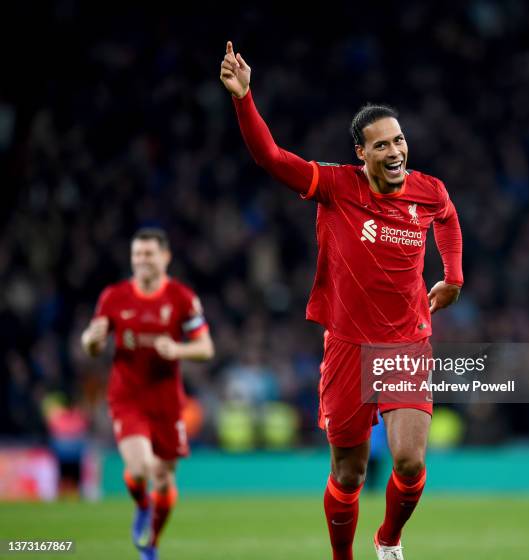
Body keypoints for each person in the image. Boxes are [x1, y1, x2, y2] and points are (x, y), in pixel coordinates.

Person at [220, 41, 463, 560]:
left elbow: (447, 217)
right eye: (381, 145)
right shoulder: (336, 186)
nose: (395, 152)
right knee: (348, 473)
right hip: (348, 349)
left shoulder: (428, 190)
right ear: (361, 153)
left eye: (399, 141)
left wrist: (454, 276)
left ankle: (389, 541)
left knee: (409, 463)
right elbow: (270, 157)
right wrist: (244, 98)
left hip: (406, 343)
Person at [81, 228, 214, 560]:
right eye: (137, 254)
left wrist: (178, 350)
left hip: (167, 400)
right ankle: (142, 504)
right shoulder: (113, 296)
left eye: (148, 254)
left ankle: (151, 542)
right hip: (127, 396)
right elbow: (92, 346)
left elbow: (206, 348)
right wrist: (91, 340)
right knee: (142, 470)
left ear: (165, 257)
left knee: (165, 479)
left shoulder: (182, 298)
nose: (141, 260)